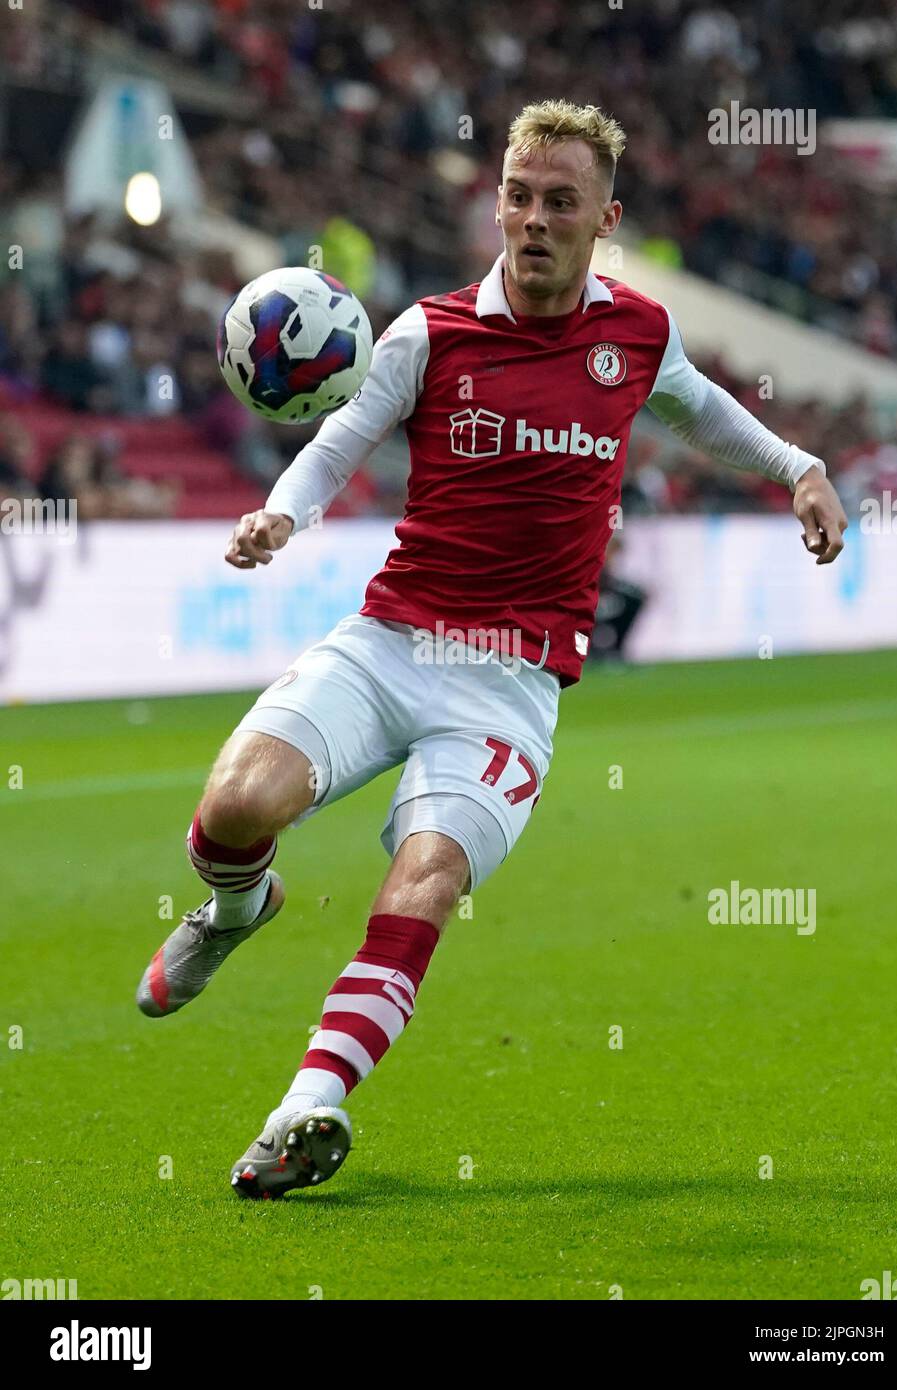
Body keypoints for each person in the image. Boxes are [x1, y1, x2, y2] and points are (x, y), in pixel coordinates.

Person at [135, 100, 848, 1199]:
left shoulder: (636, 336)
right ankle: (238, 909)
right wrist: (283, 516)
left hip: (508, 691)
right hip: (390, 640)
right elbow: (339, 438)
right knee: (234, 810)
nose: (532, 218)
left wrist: (797, 465)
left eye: (559, 201)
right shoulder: (429, 331)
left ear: (603, 218)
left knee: (422, 880)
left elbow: (704, 413)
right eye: (518, 196)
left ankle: (305, 1106)